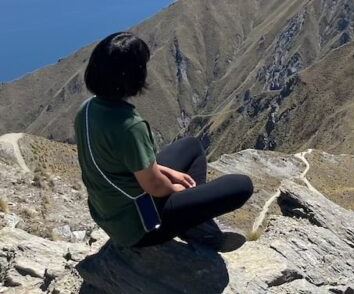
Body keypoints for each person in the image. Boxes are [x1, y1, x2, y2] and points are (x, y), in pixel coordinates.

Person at [74, 31, 254, 250]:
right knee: (242, 185)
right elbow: (155, 186)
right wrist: (179, 190)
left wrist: (170, 173)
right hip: (140, 227)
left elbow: (124, 162)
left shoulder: (88, 108)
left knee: (191, 146)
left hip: (111, 212)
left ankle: (191, 218)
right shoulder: (130, 127)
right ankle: (194, 225)